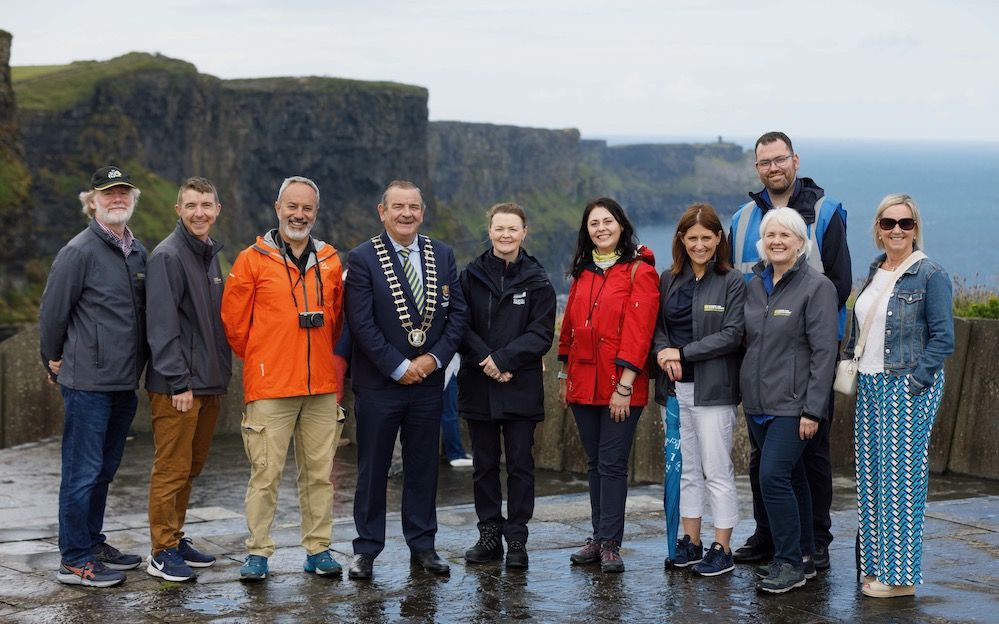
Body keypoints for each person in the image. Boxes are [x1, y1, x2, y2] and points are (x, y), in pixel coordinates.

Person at [729, 131, 851, 569]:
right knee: (763, 460)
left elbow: (839, 283)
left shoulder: (826, 212)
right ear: (757, 168)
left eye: (780, 159)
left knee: (810, 453)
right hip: (759, 355)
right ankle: (770, 534)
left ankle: (814, 539)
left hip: (807, 354)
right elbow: (734, 283)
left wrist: (796, 331)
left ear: (795, 161)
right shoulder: (743, 219)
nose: (773, 168)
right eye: (765, 162)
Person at [221, 176, 345, 581]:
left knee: (319, 475)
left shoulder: (330, 260)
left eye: (307, 208)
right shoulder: (251, 260)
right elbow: (234, 325)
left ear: (316, 213)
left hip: (320, 386)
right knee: (265, 474)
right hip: (271, 386)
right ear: (278, 208)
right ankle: (257, 552)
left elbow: (337, 319)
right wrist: (265, 358)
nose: (299, 215)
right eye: (292, 206)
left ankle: (319, 549)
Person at [345, 180, 468, 580]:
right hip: (379, 384)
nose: (406, 213)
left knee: (423, 467)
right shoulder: (362, 258)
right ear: (382, 212)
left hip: (428, 383)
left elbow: (458, 316)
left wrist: (433, 360)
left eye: (413, 206)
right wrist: (399, 366)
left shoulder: (442, 254)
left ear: (422, 212)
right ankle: (366, 550)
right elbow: (361, 323)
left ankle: (423, 545)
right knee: (373, 469)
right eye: (398, 206)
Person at [39, 166, 148, 587]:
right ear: (92, 201)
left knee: (104, 469)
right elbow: (53, 313)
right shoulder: (78, 251)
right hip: (87, 383)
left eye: (123, 192)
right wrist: (51, 359)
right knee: (81, 472)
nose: (116, 199)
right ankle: (74, 559)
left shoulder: (137, 252)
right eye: (108, 193)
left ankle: (92, 542)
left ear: (132, 199)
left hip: (123, 382)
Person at [848, 194, 954, 598]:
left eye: (905, 223)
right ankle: (877, 567)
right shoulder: (876, 271)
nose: (896, 230)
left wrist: (915, 383)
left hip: (906, 384)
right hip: (871, 384)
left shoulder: (930, 274)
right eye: (888, 222)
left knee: (901, 482)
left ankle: (901, 579)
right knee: (872, 478)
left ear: (915, 229)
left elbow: (943, 338)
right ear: (878, 228)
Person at [558, 197, 659, 574]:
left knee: (613, 464)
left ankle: (611, 542)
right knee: (595, 463)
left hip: (621, 385)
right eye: (594, 223)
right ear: (587, 231)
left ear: (621, 225)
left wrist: (625, 386)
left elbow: (640, 333)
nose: (601, 228)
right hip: (583, 381)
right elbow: (569, 329)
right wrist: (565, 377)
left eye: (608, 221)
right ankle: (598, 537)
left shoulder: (639, 271)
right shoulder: (582, 273)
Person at [742, 208, 838, 593]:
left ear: (801, 242)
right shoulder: (754, 285)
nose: (777, 241)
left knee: (773, 476)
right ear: (762, 242)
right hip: (757, 403)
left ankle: (787, 562)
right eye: (771, 235)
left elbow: (824, 353)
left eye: (786, 235)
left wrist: (813, 409)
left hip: (794, 405)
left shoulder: (817, 287)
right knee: (793, 478)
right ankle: (803, 555)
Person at [458, 202, 556, 569]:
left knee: (520, 466)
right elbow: (459, 324)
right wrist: (487, 360)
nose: (505, 235)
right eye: (499, 228)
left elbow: (541, 333)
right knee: (484, 465)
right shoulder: (470, 275)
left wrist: (503, 360)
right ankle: (488, 535)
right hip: (478, 383)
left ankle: (516, 539)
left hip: (520, 384)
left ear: (524, 232)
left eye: (512, 228)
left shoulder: (538, 279)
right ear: (489, 231)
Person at [143, 177, 231, 582]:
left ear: (217, 210)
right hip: (179, 387)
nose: (199, 212)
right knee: (171, 468)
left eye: (206, 205)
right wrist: (178, 382)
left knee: (191, 467)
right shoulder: (168, 255)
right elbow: (161, 326)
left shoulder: (208, 254)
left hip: (207, 382)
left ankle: (175, 538)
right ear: (178, 209)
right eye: (191, 205)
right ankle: (161, 551)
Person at [652, 203, 744, 576]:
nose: (700, 245)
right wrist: (664, 354)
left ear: (719, 238)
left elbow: (733, 334)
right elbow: (658, 327)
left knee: (716, 470)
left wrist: (683, 352)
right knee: (687, 469)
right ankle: (691, 541)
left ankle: (723, 547)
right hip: (674, 390)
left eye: (707, 237)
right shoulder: (668, 279)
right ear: (681, 239)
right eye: (692, 238)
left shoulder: (733, 281)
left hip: (714, 389)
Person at [441, 354, 473, 467]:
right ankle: (455, 454)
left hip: (452, 368)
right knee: (449, 415)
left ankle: (457, 452)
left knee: (449, 414)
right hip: (448, 370)